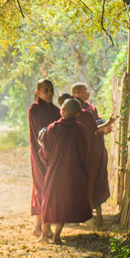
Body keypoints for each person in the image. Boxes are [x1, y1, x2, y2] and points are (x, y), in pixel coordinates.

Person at [38, 98, 92, 244]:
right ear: (78, 114)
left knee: (49, 201)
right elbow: (83, 151)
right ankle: (57, 237)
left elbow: (46, 150)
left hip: (55, 170)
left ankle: (44, 236)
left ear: (62, 110)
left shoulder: (53, 128)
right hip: (72, 173)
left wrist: (43, 154)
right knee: (63, 203)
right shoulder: (80, 129)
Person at [71, 83, 116, 226]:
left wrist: (105, 127)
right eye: (86, 91)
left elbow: (95, 123)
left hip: (94, 152)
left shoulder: (89, 108)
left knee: (95, 181)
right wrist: (105, 125)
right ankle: (77, 217)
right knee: (80, 183)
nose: (88, 93)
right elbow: (88, 127)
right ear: (77, 93)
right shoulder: (72, 108)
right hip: (80, 153)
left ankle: (98, 216)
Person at [28, 79, 61, 237]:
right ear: (38, 92)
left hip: (54, 155)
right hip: (40, 153)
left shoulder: (56, 110)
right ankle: (41, 226)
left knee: (50, 189)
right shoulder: (34, 110)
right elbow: (40, 134)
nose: (49, 93)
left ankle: (40, 226)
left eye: (51, 90)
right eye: (45, 90)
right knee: (42, 188)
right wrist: (47, 150)